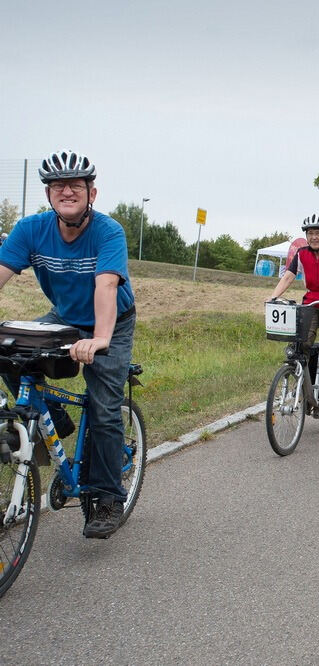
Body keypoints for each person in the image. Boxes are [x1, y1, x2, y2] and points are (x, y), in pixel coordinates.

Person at [0, 150, 137, 538]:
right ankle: (55, 421)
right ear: (49, 195)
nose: (67, 191)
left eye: (76, 185)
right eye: (58, 186)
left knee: (105, 407)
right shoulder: (30, 230)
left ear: (91, 192)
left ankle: (108, 496)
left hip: (111, 322)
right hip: (64, 318)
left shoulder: (108, 232)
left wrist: (100, 340)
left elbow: (106, 285)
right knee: (9, 353)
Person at [268, 214, 319, 414]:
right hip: (312, 302)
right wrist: (272, 298)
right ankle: (303, 390)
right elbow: (288, 277)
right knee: (299, 343)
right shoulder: (301, 254)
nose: (314, 237)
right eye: (310, 233)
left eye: (318, 233)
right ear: (306, 235)